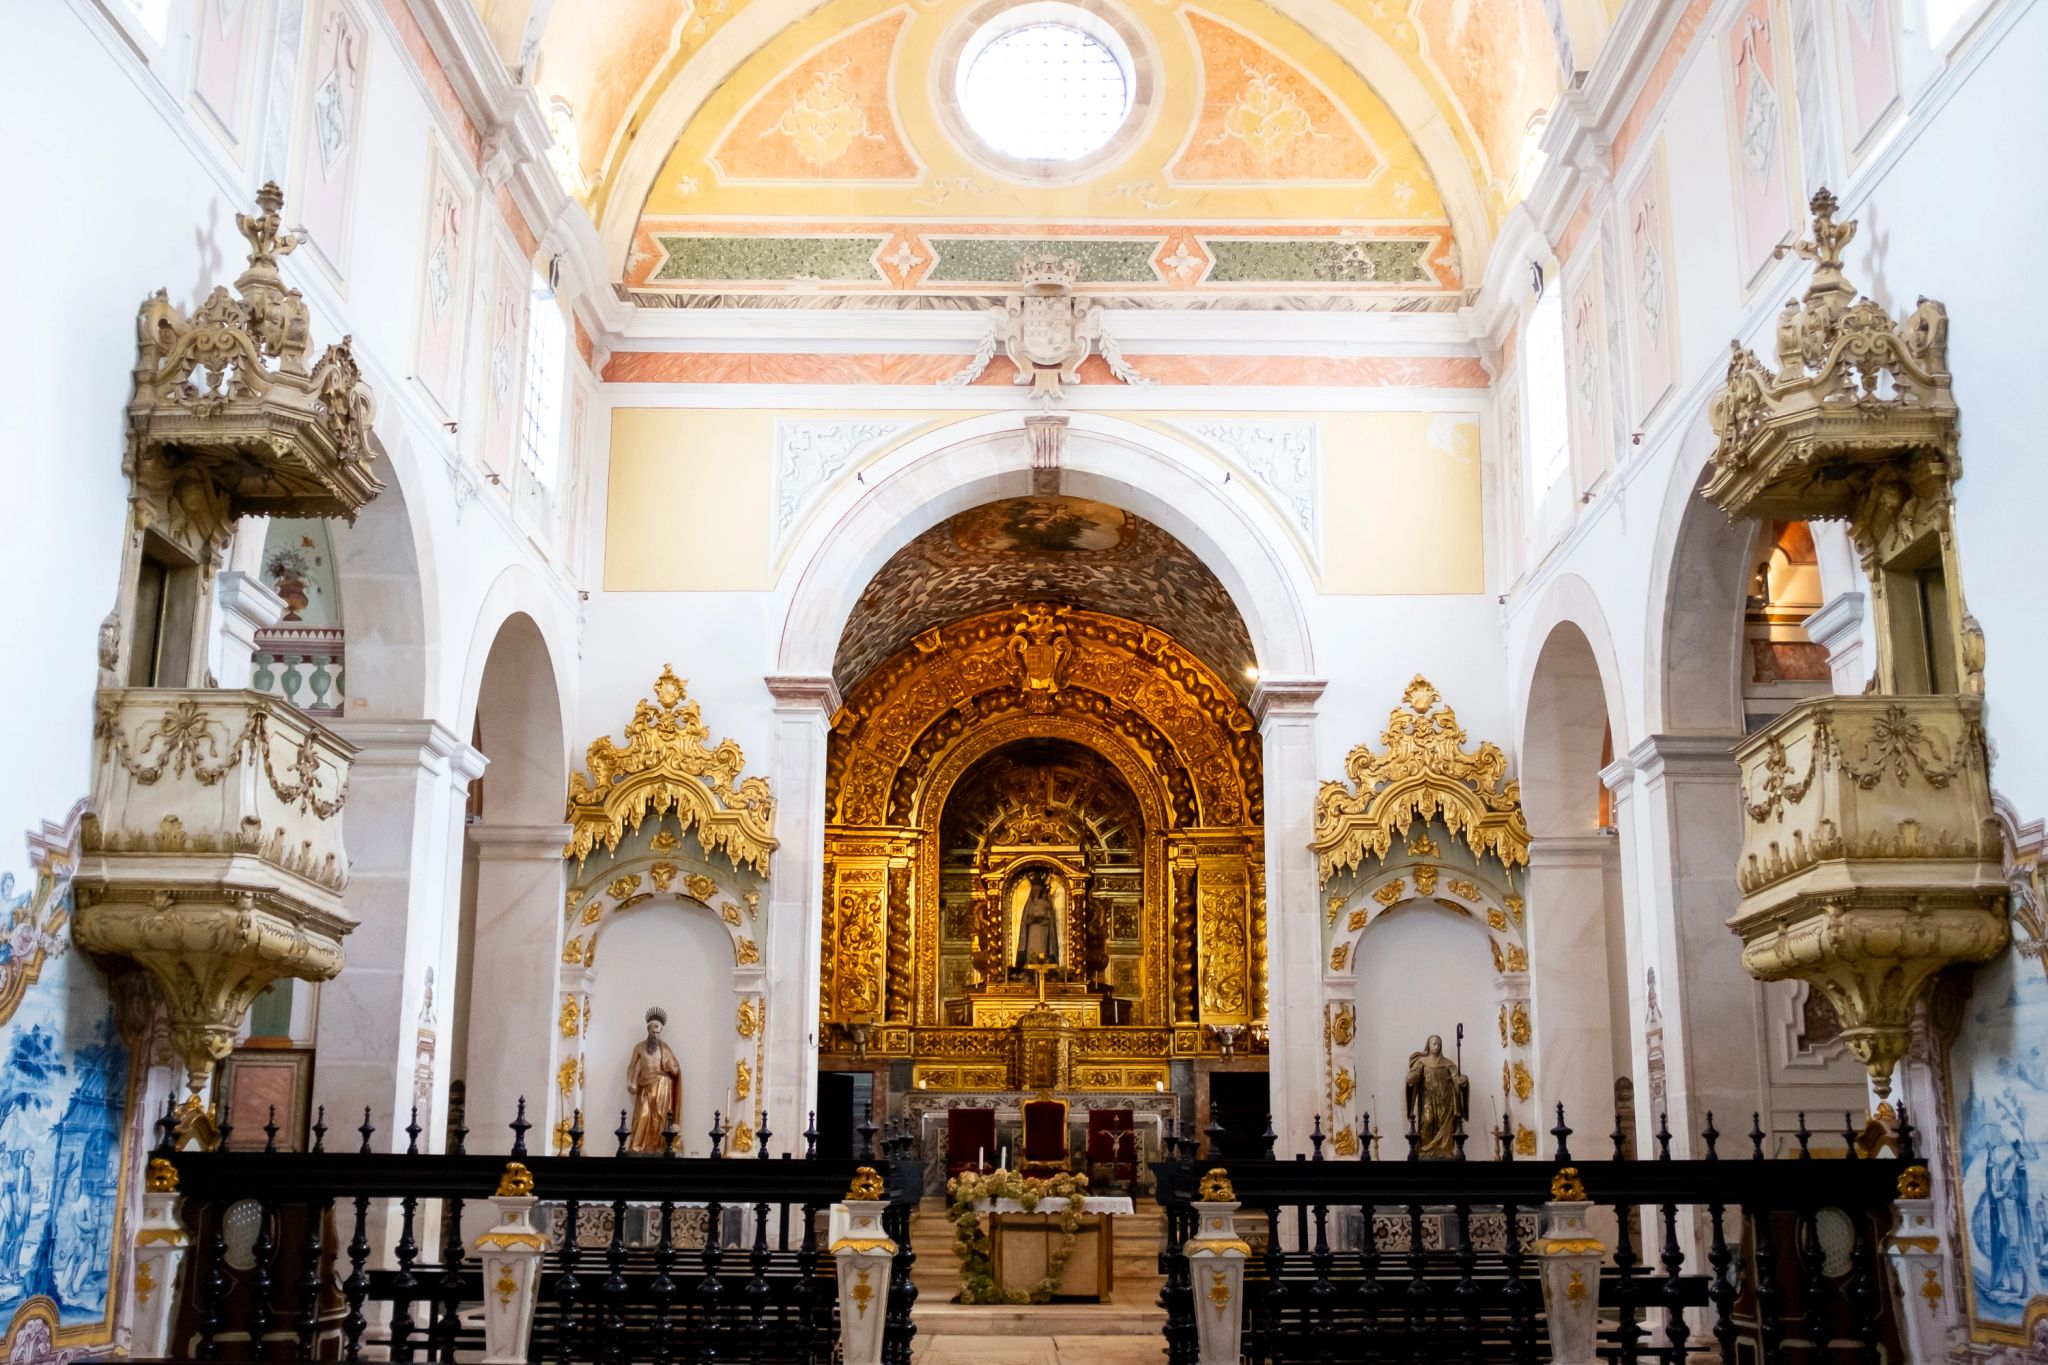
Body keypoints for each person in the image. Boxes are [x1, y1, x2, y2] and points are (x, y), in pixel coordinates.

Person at [625, 1006, 683, 1153]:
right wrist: (629, 1082)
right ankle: (636, 1147)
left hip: (662, 1087)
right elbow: (632, 1066)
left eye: (658, 1033)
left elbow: (675, 1070)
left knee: (660, 1118)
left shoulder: (665, 1048)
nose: (655, 1035)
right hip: (644, 1086)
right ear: (648, 1030)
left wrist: (673, 1068)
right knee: (642, 1115)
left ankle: (658, 1147)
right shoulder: (639, 1047)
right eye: (653, 1032)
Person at [1405, 1033, 1469, 1159]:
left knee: (1443, 1122)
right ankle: (1424, 1150)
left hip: (1445, 1099)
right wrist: (1411, 1078)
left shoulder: (1447, 1063)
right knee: (1427, 1120)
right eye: (1433, 1044)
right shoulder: (1421, 1062)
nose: (1436, 1046)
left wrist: (1463, 1080)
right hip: (1427, 1097)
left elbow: (1456, 1077)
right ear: (1428, 1045)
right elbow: (1415, 1074)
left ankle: (1444, 1151)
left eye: (1438, 1044)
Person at [1013, 870, 1060, 971]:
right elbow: (1025, 921)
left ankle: (1045, 967)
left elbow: (1050, 920)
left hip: (1043, 932)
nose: (1037, 893)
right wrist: (1033, 920)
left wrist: (1042, 920)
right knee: (1032, 954)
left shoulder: (1047, 904)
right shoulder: (1030, 904)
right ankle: (1030, 968)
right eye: (1035, 891)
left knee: (1043, 952)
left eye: (1039, 891)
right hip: (1033, 932)